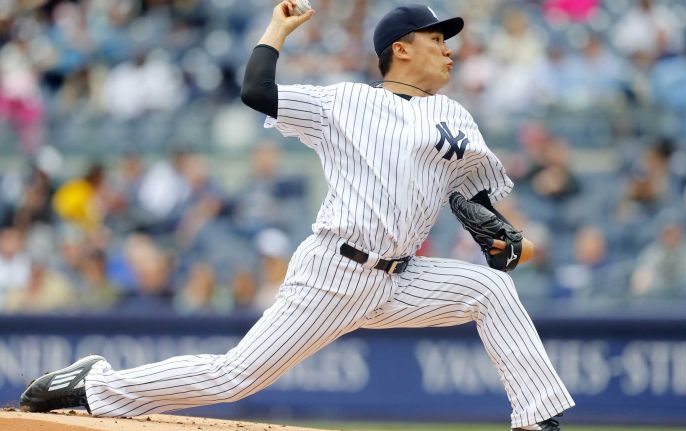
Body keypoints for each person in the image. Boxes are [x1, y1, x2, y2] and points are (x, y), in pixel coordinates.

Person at [20, 3, 574, 430]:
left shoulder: (453, 115)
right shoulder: (345, 103)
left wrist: (490, 226)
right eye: (437, 39)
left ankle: (538, 417)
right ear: (401, 49)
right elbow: (256, 90)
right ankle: (96, 386)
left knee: (492, 292)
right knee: (233, 377)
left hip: (402, 277)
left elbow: (462, 191)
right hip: (335, 273)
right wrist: (276, 31)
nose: (450, 50)